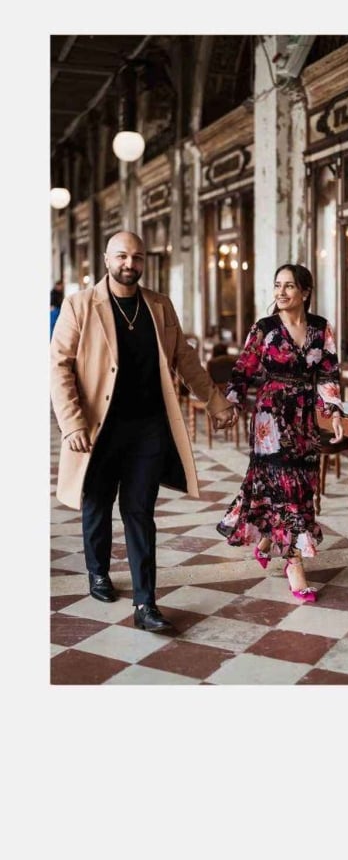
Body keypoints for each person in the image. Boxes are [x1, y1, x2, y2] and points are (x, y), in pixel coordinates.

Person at [50, 231, 232, 632]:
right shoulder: (81, 305)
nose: (129, 263)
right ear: (106, 259)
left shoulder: (159, 306)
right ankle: (97, 571)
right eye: (121, 256)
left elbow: (185, 358)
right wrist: (72, 422)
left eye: (136, 257)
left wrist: (215, 402)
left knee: (139, 512)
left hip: (147, 428)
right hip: (100, 428)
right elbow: (59, 365)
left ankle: (145, 602)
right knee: (97, 503)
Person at [215, 264, 344, 604]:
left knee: (300, 484)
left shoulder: (320, 328)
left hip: (304, 417)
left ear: (305, 291)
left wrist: (333, 413)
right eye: (277, 285)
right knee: (285, 486)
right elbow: (242, 370)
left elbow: (329, 373)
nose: (281, 292)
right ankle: (294, 563)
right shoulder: (265, 329)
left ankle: (266, 540)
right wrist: (229, 405)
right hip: (270, 417)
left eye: (289, 286)